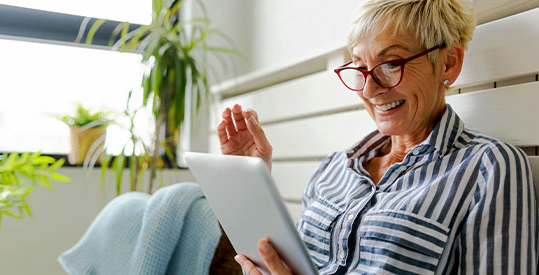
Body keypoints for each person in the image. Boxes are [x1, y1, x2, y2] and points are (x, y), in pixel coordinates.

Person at [217, 0, 538, 274]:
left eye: (390, 64)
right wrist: (252, 186)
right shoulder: (334, 168)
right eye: (360, 68)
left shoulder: (488, 167)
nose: (370, 90)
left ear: (448, 63)